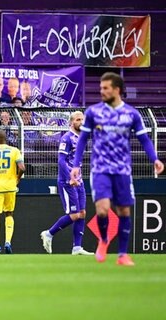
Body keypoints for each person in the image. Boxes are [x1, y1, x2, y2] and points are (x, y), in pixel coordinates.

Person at [71, 72, 164, 266]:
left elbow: (144, 139)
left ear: (117, 90)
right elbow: (82, 140)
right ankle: (103, 240)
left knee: (123, 211)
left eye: (106, 88)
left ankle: (122, 254)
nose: (102, 91)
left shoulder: (131, 114)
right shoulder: (93, 112)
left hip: (122, 171)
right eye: (101, 88)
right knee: (102, 209)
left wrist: (154, 159)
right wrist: (76, 165)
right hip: (100, 170)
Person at [40, 111, 93, 255]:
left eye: (82, 119)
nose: (81, 122)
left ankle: (77, 247)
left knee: (82, 213)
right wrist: (70, 177)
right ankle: (49, 234)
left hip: (79, 181)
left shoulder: (82, 137)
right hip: (67, 182)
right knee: (74, 214)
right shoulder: (66, 138)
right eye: (78, 120)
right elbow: (61, 161)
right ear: (71, 122)